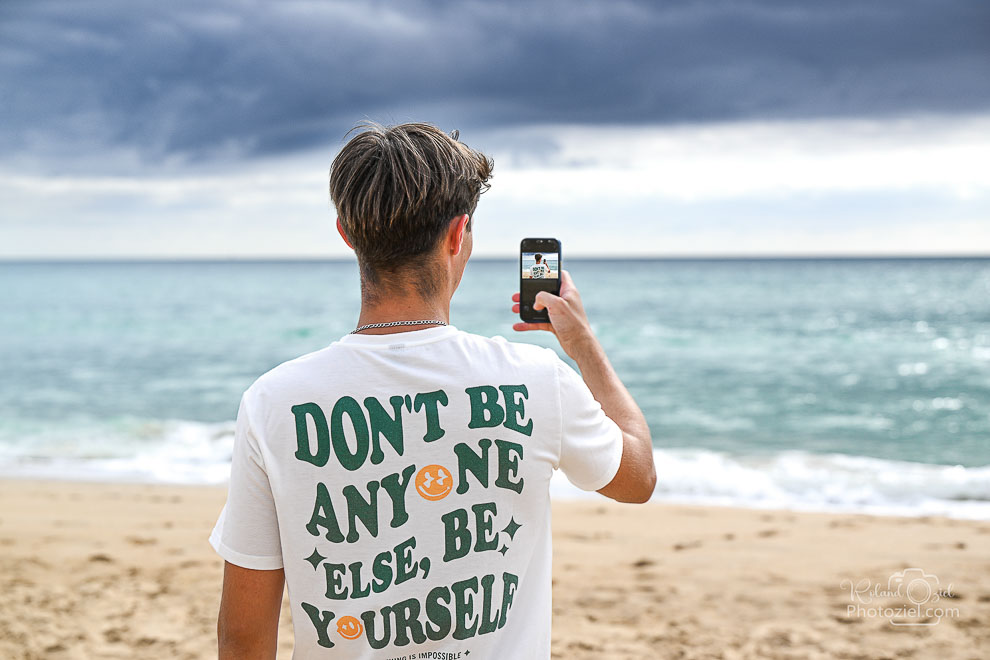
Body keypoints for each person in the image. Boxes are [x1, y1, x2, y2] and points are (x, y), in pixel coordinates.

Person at [209, 122, 656, 659]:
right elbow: (638, 478)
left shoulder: (273, 401)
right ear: (456, 234)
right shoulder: (537, 379)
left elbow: (243, 638)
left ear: (347, 234)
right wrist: (583, 346)